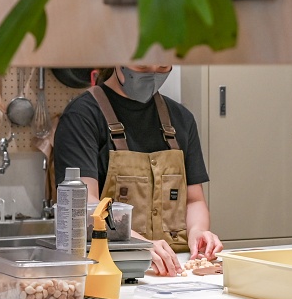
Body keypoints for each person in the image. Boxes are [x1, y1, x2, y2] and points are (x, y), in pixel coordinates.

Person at [54, 65, 222, 276]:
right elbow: (86, 206)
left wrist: (198, 231)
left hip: (173, 271)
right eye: (142, 66)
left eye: (162, 66)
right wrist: (139, 244)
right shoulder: (82, 116)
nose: (152, 73)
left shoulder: (181, 118)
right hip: (110, 269)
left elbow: (194, 200)